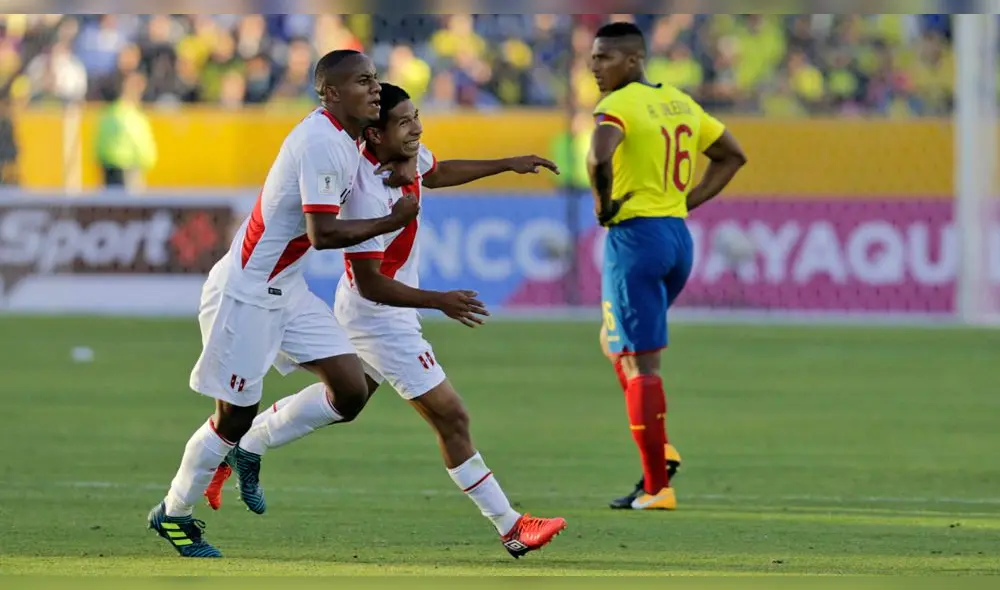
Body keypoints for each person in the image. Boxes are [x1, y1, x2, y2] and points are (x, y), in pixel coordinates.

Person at [206, 83, 568, 559]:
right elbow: (372, 282)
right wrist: (439, 299)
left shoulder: (402, 157)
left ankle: (249, 442)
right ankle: (511, 526)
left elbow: (436, 172)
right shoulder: (364, 191)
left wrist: (508, 163)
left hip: (375, 309)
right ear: (374, 135)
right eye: (404, 122)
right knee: (451, 416)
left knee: (346, 402)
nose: (416, 127)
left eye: (416, 116)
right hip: (380, 315)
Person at [147, 50, 419, 558]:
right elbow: (321, 233)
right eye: (363, 81)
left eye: (376, 79)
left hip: (286, 290)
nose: (376, 88)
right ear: (331, 94)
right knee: (232, 417)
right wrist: (390, 221)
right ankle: (175, 513)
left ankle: (252, 449)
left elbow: (412, 159)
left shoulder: (348, 136)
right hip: (246, 293)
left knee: (352, 389)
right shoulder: (319, 142)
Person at [586, 23, 747, 510]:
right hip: (677, 239)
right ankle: (660, 446)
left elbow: (597, 157)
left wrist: (603, 206)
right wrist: (685, 201)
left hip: (636, 238)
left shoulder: (618, 106)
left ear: (634, 61)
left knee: (640, 362)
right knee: (613, 342)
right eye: (593, 58)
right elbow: (731, 155)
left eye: (605, 58)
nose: (595, 67)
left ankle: (658, 487)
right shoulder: (678, 100)